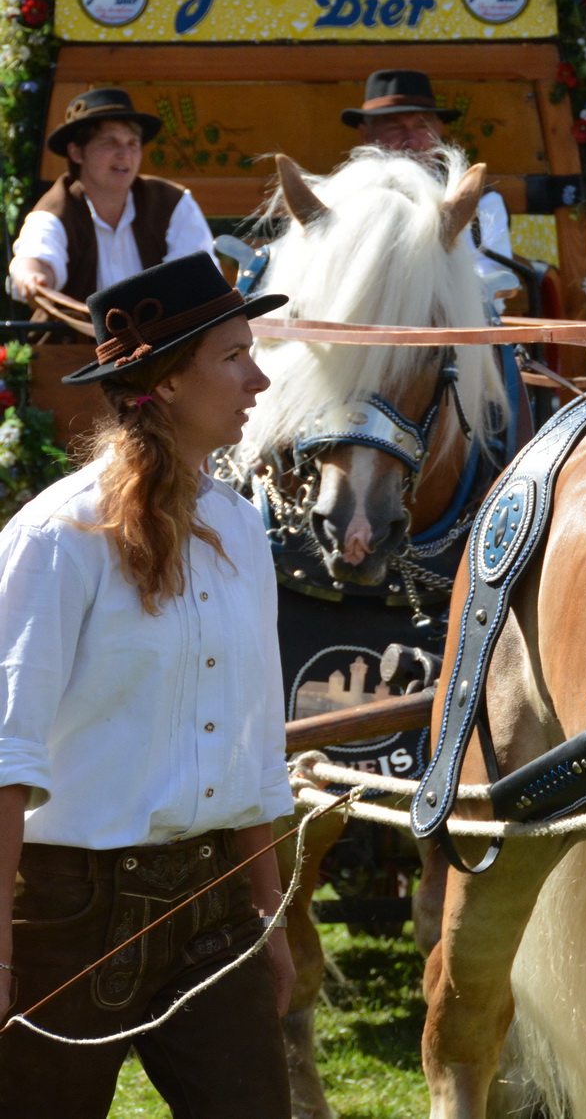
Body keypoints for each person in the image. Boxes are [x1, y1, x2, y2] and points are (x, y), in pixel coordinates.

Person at [0, 256, 294, 1116]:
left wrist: (268, 919)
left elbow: (252, 745)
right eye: (234, 356)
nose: (260, 376)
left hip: (214, 910)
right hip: (64, 916)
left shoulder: (242, 530)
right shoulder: (57, 539)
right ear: (165, 383)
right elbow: (7, 751)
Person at [8, 89, 216, 306]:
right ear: (77, 153)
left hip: (162, 340)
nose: (125, 154)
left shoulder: (172, 203)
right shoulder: (56, 209)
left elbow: (198, 279)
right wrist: (32, 276)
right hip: (73, 340)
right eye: (110, 142)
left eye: (133, 143)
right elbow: (36, 259)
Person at [341, 69, 513, 295]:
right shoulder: (343, 201)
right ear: (366, 135)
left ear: (440, 130)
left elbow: (493, 276)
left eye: (422, 126)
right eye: (394, 127)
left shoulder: (483, 202)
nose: (411, 141)